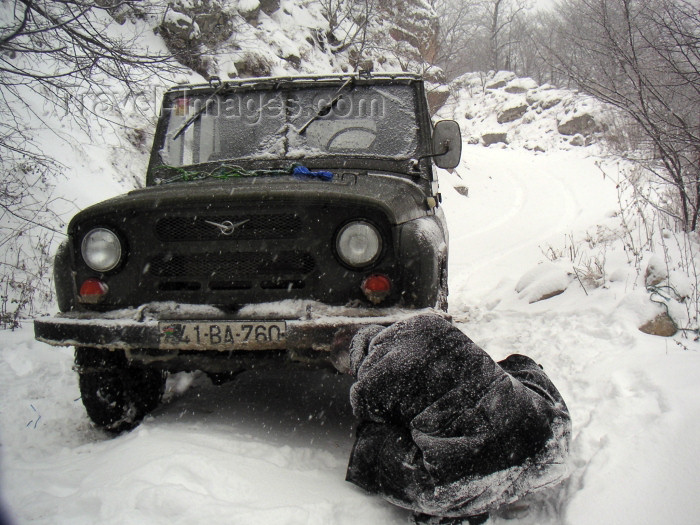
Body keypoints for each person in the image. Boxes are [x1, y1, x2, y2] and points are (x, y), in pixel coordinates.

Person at [338, 315, 571, 522]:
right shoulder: (428, 322)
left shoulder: (369, 380)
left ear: (355, 358)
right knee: (506, 373)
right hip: (546, 445)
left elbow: (375, 420)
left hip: (466, 481)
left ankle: (461, 506)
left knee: (371, 443)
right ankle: (497, 466)